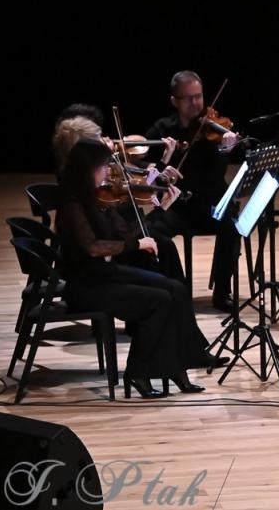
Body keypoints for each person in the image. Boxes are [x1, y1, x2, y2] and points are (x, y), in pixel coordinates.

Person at [55, 139, 217, 397]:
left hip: (106, 276)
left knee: (175, 288)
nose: (109, 172)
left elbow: (128, 234)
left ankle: (177, 367)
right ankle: (138, 372)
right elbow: (94, 247)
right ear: (86, 169)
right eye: (103, 166)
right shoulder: (72, 204)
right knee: (159, 301)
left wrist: (160, 209)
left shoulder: (98, 199)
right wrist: (133, 246)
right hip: (87, 286)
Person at [143, 70, 243, 310]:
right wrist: (163, 161)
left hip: (211, 204)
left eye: (199, 96)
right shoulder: (163, 129)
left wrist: (225, 150)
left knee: (232, 226)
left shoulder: (216, 131)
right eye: (188, 98)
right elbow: (143, 167)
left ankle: (222, 292)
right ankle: (174, 288)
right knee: (148, 231)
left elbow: (217, 175)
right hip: (177, 206)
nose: (196, 103)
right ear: (174, 101)